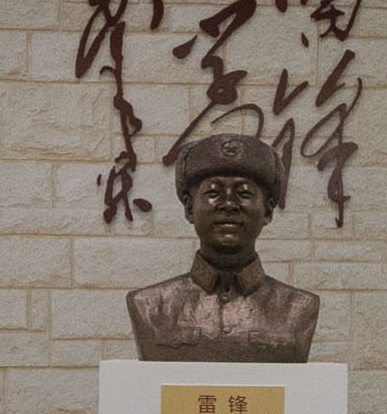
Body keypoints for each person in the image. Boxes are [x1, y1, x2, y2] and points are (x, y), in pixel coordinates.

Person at [126, 130, 322, 362]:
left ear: (268, 210)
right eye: (213, 192)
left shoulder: (298, 307)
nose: (229, 204)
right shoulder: (150, 305)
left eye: (244, 194)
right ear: (189, 208)